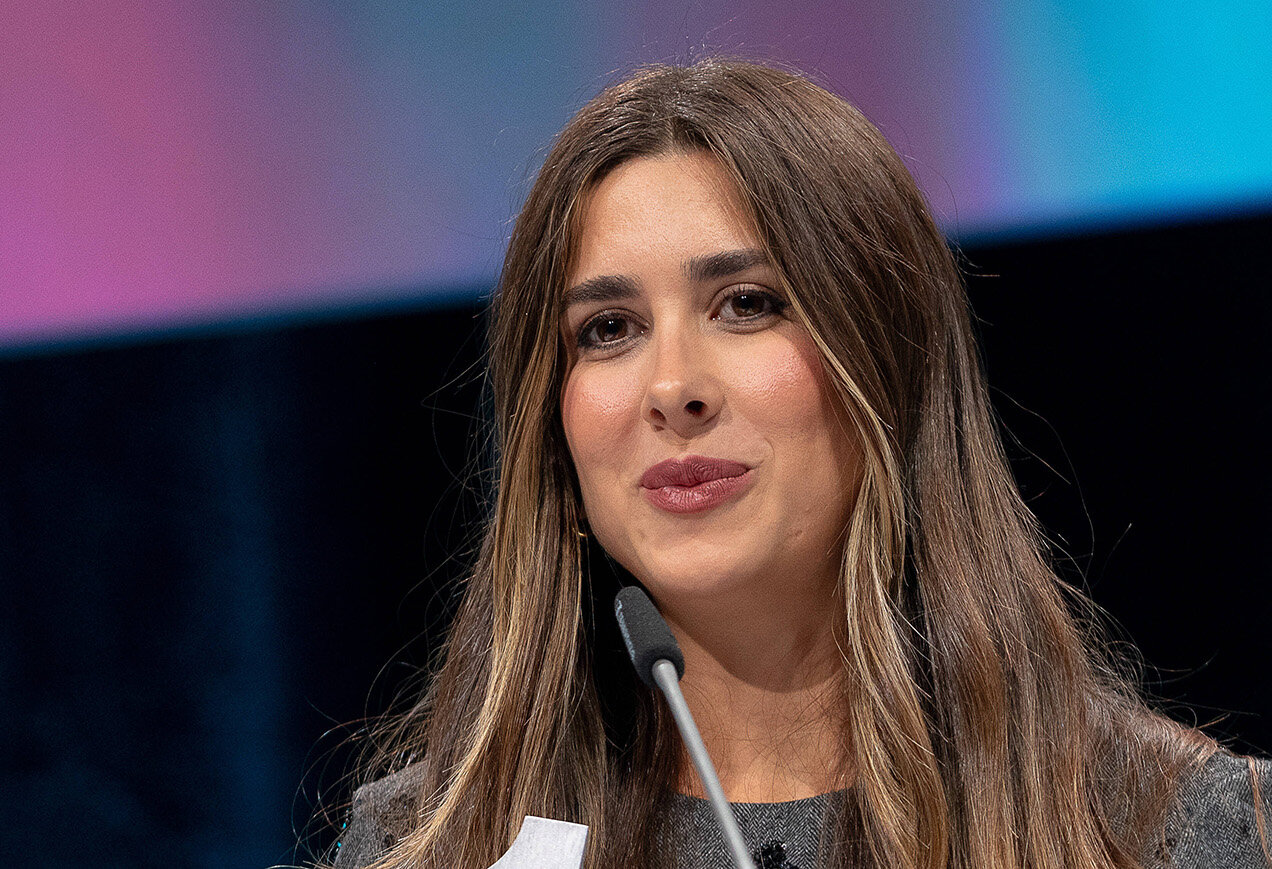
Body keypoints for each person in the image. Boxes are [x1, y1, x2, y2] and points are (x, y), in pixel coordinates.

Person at [320, 59, 1270, 869]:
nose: (673, 387)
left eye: (747, 304)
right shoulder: (424, 844)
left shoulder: (1168, 830)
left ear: (888, 367)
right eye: (608, 328)